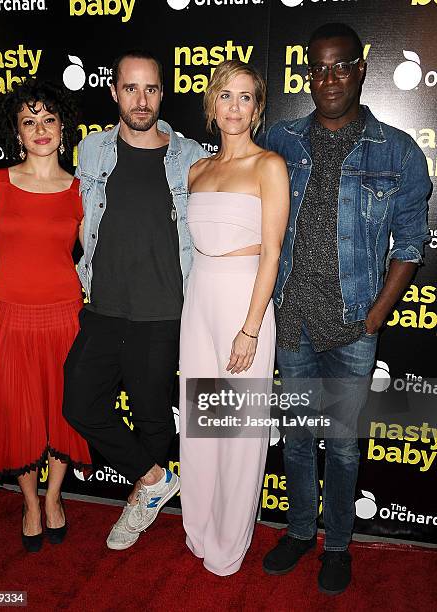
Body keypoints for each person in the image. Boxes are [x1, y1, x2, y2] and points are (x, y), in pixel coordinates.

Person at [261, 23, 431, 594]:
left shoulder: (398, 149)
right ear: (308, 74)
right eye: (318, 68)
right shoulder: (280, 141)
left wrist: (375, 316)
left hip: (354, 325)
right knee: (299, 439)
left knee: (341, 443)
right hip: (293, 322)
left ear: (361, 69)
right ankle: (300, 531)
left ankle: (337, 545)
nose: (328, 78)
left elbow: (410, 245)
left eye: (340, 66)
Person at [62, 50, 208, 551]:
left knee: (151, 417)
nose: (141, 100)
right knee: (78, 401)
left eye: (150, 89)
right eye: (130, 88)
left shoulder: (189, 157)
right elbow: (68, 211)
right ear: (114, 92)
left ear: (162, 93)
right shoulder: (92, 152)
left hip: (163, 311)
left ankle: (137, 501)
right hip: (102, 305)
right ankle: (155, 480)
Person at [179, 59, 290, 576]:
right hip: (198, 301)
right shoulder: (196, 170)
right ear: (211, 104)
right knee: (202, 426)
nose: (235, 106)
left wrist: (250, 327)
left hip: (244, 302)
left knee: (240, 430)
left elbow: (271, 254)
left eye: (246, 97)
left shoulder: (269, 166)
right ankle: (197, 529)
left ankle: (228, 544)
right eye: (226, 95)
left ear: (258, 107)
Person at [0, 80, 92, 553]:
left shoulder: (81, 189)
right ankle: (29, 503)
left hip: (66, 318)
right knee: (19, 417)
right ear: (18, 134)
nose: (40, 129)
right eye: (29, 122)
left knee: (64, 414)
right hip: (9, 319)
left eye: (48, 120)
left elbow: (95, 254)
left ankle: (55, 498)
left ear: (63, 129)